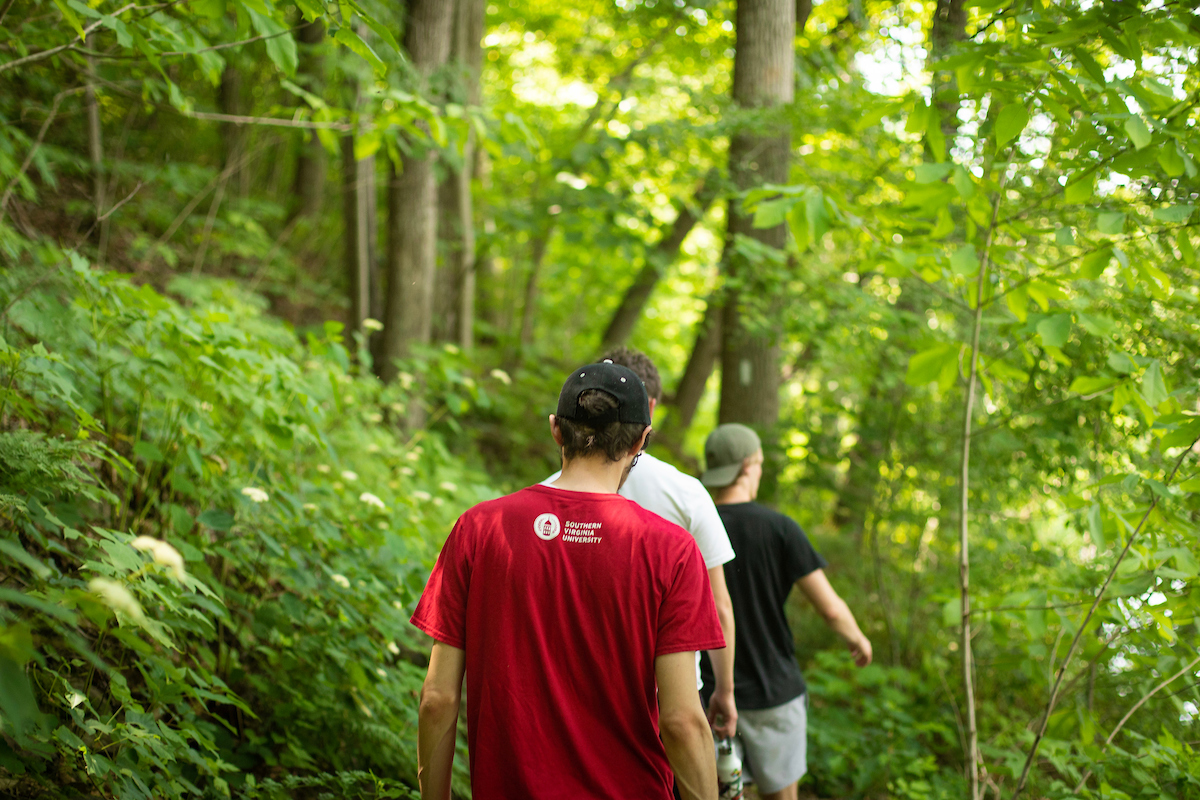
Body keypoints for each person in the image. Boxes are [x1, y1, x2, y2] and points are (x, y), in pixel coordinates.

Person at [412, 361, 725, 800]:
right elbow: (682, 722)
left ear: (557, 430)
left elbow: (437, 698)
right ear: (640, 440)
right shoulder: (671, 550)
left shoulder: (480, 528)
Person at [544, 347, 739, 739]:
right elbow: (718, 606)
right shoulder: (687, 494)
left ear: (559, 427)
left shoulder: (541, 501)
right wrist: (726, 689)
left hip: (567, 696)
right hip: (668, 696)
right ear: (644, 424)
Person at [698, 423, 872, 800]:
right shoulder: (780, 528)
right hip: (774, 693)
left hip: (710, 695)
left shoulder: (693, 526)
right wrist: (857, 638)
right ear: (747, 466)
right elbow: (829, 609)